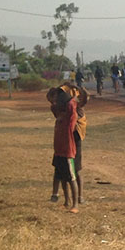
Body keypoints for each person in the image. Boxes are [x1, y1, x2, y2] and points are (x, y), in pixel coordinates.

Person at [48, 84, 80, 213]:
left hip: (67, 151)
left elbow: (73, 107)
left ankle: (75, 205)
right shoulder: (59, 115)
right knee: (61, 177)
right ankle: (66, 202)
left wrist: (68, 96)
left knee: (71, 178)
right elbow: (54, 109)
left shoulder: (69, 117)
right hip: (59, 151)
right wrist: (53, 101)